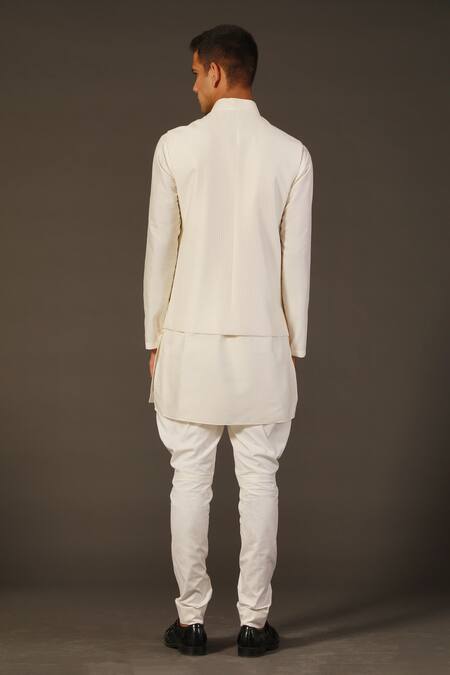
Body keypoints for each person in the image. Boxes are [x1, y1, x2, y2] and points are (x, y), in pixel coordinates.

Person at [143, 23, 313, 657]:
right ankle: (253, 624)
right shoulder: (292, 155)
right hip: (263, 344)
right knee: (260, 481)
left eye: (195, 73)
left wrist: (153, 335)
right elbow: (296, 265)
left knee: (189, 480)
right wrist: (293, 346)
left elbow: (160, 251)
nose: (193, 85)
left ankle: (190, 623)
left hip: (188, 341)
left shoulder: (175, 147)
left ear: (216, 71)